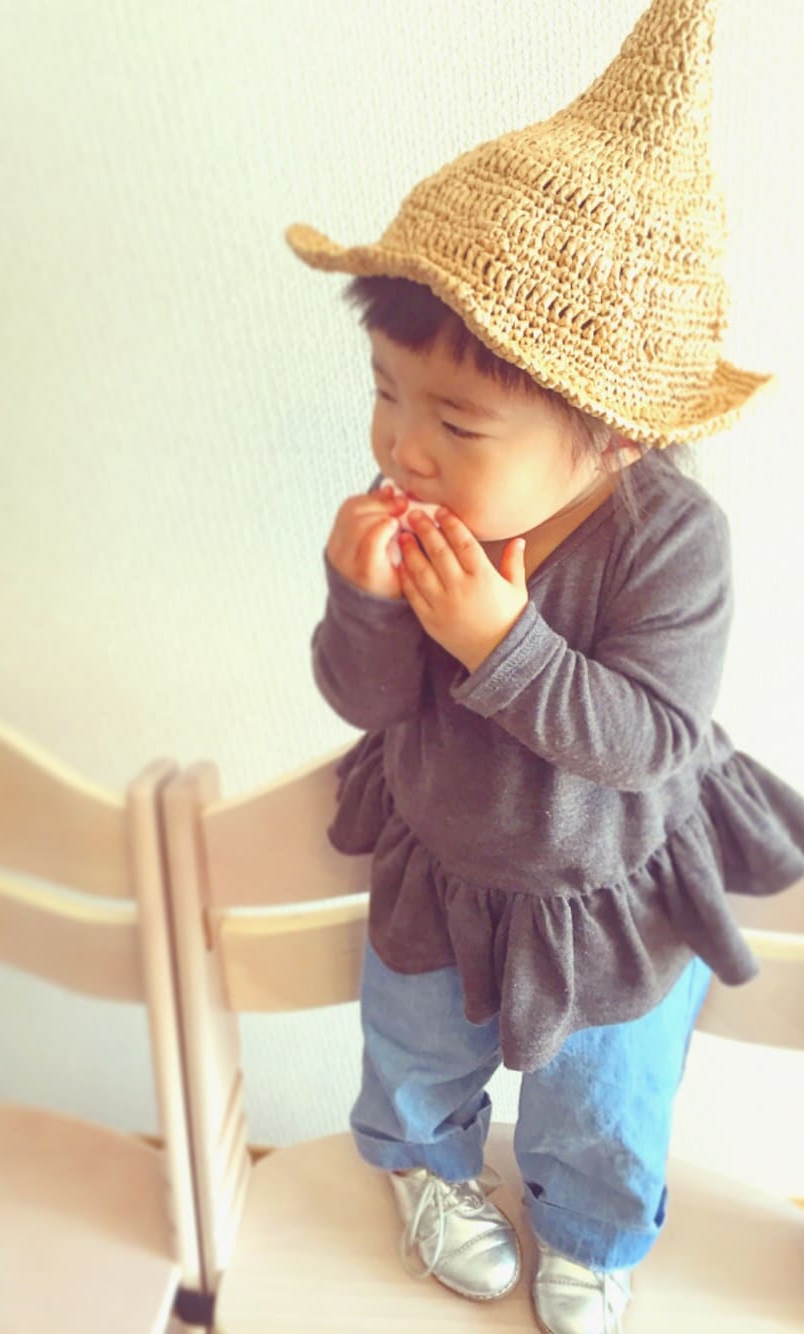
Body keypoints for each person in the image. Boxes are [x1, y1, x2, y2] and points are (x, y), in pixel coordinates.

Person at [285, 1, 804, 1331]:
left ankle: (588, 1231)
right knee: (414, 1050)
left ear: (615, 435)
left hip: (605, 891)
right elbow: (366, 700)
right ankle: (428, 1170)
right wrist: (362, 602)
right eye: (386, 391)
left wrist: (499, 645)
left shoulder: (673, 543)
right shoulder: (418, 509)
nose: (402, 446)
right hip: (440, 859)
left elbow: (651, 740)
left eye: (457, 422)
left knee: (603, 1099)